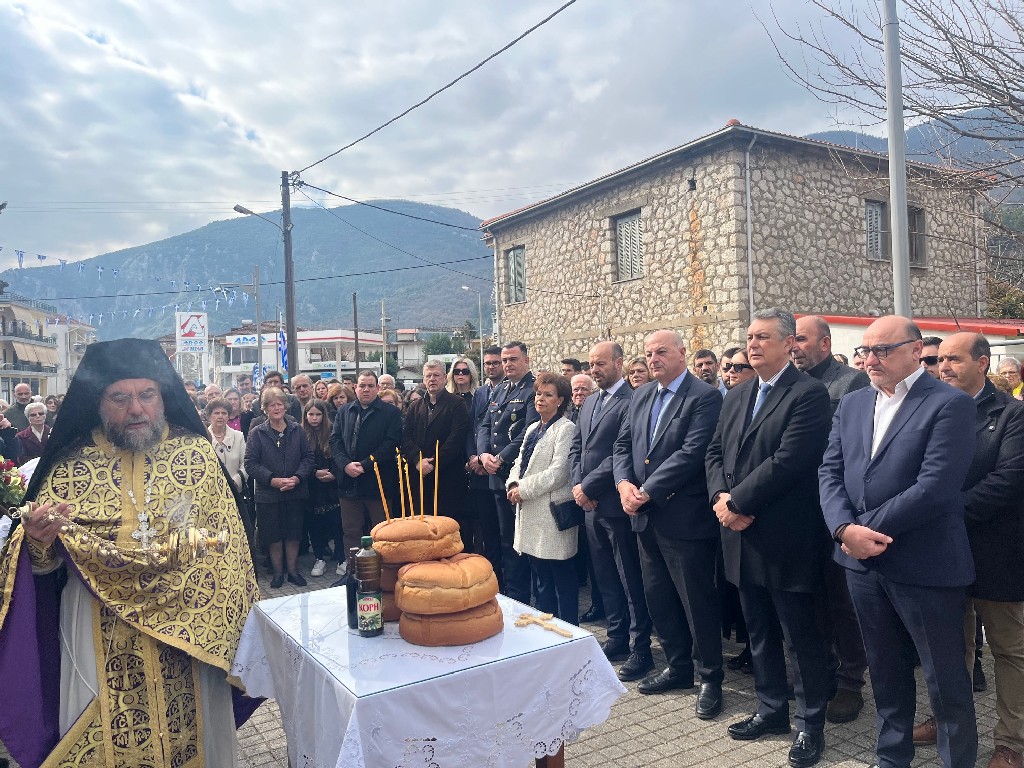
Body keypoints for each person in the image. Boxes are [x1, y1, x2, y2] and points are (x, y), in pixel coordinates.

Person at [0, 338, 258, 766]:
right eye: (120, 398)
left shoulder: (195, 455)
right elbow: (43, 568)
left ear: (163, 397)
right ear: (98, 402)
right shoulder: (69, 466)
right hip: (96, 628)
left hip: (187, 628)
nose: (136, 409)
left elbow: (228, 551)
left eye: (147, 395)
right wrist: (39, 544)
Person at [819, 315, 978, 768]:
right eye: (865, 350)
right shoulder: (853, 403)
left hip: (925, 564)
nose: (870, 359)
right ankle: (892, 757)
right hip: (863, 565)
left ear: (914, 350)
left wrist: (863, 529)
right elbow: (830, 470)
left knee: (944, 680)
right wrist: (843, 529)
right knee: (886, 672)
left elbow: (936, 486)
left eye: (882, 350)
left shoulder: (948, 404)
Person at [706, 308, 833, 768]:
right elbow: (715, 451)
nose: (753, 344)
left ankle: (810, 725)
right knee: (758, 631)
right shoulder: (739, 394)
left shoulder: (808, 394)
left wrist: (737, 502)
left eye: (762, 337)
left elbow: (791, 459)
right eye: (749, 337)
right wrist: (721, 499)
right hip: (740, 536)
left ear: (788, 343)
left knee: (800, 637)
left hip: (785, 536)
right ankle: (772, 709)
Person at [923, 332, 1024, 768]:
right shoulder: (929, 410)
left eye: (954, 359)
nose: (943, 367)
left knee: (1009, 650)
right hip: (942, 551)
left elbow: (1009, 479)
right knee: (949, 647)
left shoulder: (1012, 414)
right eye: (940, 359)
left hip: (997, 551)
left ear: (982, 363)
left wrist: (944, 512)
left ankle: (1012, 741)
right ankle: (947, 722)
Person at [613, 330, 725, 720]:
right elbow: (622, 444)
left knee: (697, 601)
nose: (653, 359)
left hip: (684, 518)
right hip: (644, 518)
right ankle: (678, 667)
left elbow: (693, 452)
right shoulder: (641, 394)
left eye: (661, 351)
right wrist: (623, 484)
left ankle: (710, 677)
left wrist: (647, 491)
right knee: (658, 596)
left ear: (682, 353)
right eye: (648, 353)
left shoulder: (704, 397)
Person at [791, 314, 871, 723]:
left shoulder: (850, 383)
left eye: (801, 339)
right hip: (798, 510)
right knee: (811, 598)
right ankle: (820, 671)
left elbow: (849, 451)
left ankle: (851, 681)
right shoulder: (789, 384)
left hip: (836, 509)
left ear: (825, 343)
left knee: (843, 601)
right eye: (792, 339)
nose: (794, 346)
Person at [570, 341, 652, 681]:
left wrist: (588, 487)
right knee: (604, 577)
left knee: (629, 578)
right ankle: (616, 637)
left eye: (600, 363)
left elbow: (621, 452)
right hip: (590, 507)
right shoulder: (590, 401)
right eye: (591, 364)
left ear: (618, 363)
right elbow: (578, 446)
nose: (594, 369)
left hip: (616, 505)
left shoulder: (632, 400)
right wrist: (578, 485)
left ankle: (640, 647)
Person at [506, 372, 578, 624]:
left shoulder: (566, 429)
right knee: (541, 582)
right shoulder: (532, 428)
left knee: (562, 583)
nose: (541, 399)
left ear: (560, 400)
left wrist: (522, 489)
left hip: (552, 516)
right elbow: (519, 462)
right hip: (531, 514)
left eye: (548, 395)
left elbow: (558, 473)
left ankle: (570, 632)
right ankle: (545, 630)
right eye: (538, 393)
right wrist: (512, 483)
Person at [477, 341, 539, 603]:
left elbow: (530, 431)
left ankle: (520, 596)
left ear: (526, 360)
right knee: (503, 540)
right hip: (495, 476)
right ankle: (509, 593)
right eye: (504, 360)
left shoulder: (533, 389)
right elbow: (485, 426)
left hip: (517, 476)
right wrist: (483, 455)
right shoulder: (501, 389)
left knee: (518, 541)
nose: (507, 364)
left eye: (513, 359)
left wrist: (501, 457)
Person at [330, 370, 402, 572]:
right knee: (351, 531)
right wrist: (345, 464)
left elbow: (391, 444)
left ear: (377, 388)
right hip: (349, 483)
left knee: (381, 532)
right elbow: (335, 441)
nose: (366, 389)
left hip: (377, 482)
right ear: (355, 387)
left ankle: (382, 574)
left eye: (371, 386)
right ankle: (353, 573)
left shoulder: (390, 413)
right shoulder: (344, 411)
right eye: (362, 385)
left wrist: (365, 465)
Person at [244, 386, 315, 589]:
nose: (276, 408)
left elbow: (308, 458)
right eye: (272, 405)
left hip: (295, 491)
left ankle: (292, 571)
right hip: (268, 494)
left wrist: (297, 478)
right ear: (265, 409)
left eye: (280, 404)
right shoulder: (257, 433)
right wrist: (272, 480)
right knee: (272, 535)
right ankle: (277, 573)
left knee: (293, 533)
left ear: (285, 406)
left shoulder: (297, 430)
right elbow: (250, 463)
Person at [403, 361, 471, 530]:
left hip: (447, 477)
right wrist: (417, 460)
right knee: (422, 528)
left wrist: (433, 463)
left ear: (445, 378)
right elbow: (406, 437)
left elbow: (456, 439)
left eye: (436, 375)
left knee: (447, 528)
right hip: (420, 477)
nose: (432, 379)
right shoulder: (415, 406)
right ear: (423, 379)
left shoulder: (457, 404)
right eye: (428, 375)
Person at [468, 347, 504, 586]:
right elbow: (474, 427)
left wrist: (490, 459)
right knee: (488, 530)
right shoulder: (481, 393)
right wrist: (474, 457)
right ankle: (494, 579)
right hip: (480, 471)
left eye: (495, 363)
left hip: (500, 470)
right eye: (487, 363)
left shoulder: (513, 390)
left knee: (505, 533)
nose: (491, 367)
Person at [302, 399, 338, 579]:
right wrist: (314, 471)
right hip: (311, 486)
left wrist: (334, 473)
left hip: (332, 485)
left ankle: (341, 558)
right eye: (311, 414)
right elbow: (300, 459)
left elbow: (339, 454)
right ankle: (319, 558)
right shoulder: (301, 434)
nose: (314, 418)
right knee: (314, 525)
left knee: (336, 523)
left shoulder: (332, 431)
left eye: (318, 414)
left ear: (324, 415)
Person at [206, 398, 246, 492]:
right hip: (210, 491)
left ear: (228, 416)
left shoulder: (238, 436)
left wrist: (235, 482)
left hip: (235, 491)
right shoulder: (203, 437)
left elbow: (246, 464)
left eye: (224, 413)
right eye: (216, 413)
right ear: (209, 416)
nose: (220, 416)